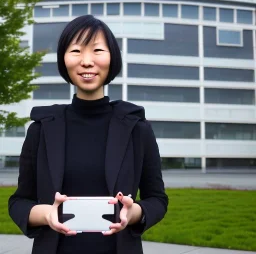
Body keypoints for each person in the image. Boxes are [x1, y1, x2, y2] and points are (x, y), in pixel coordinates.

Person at [8, 15, 168, 254]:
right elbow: (19, 202)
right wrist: (47, 214)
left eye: (97, 50)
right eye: (76, 51)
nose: (86, 61)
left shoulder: (136, 127)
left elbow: (157, 199)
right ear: (64, 59)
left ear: (111, 57)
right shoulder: (42, 129)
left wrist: (133, 213)